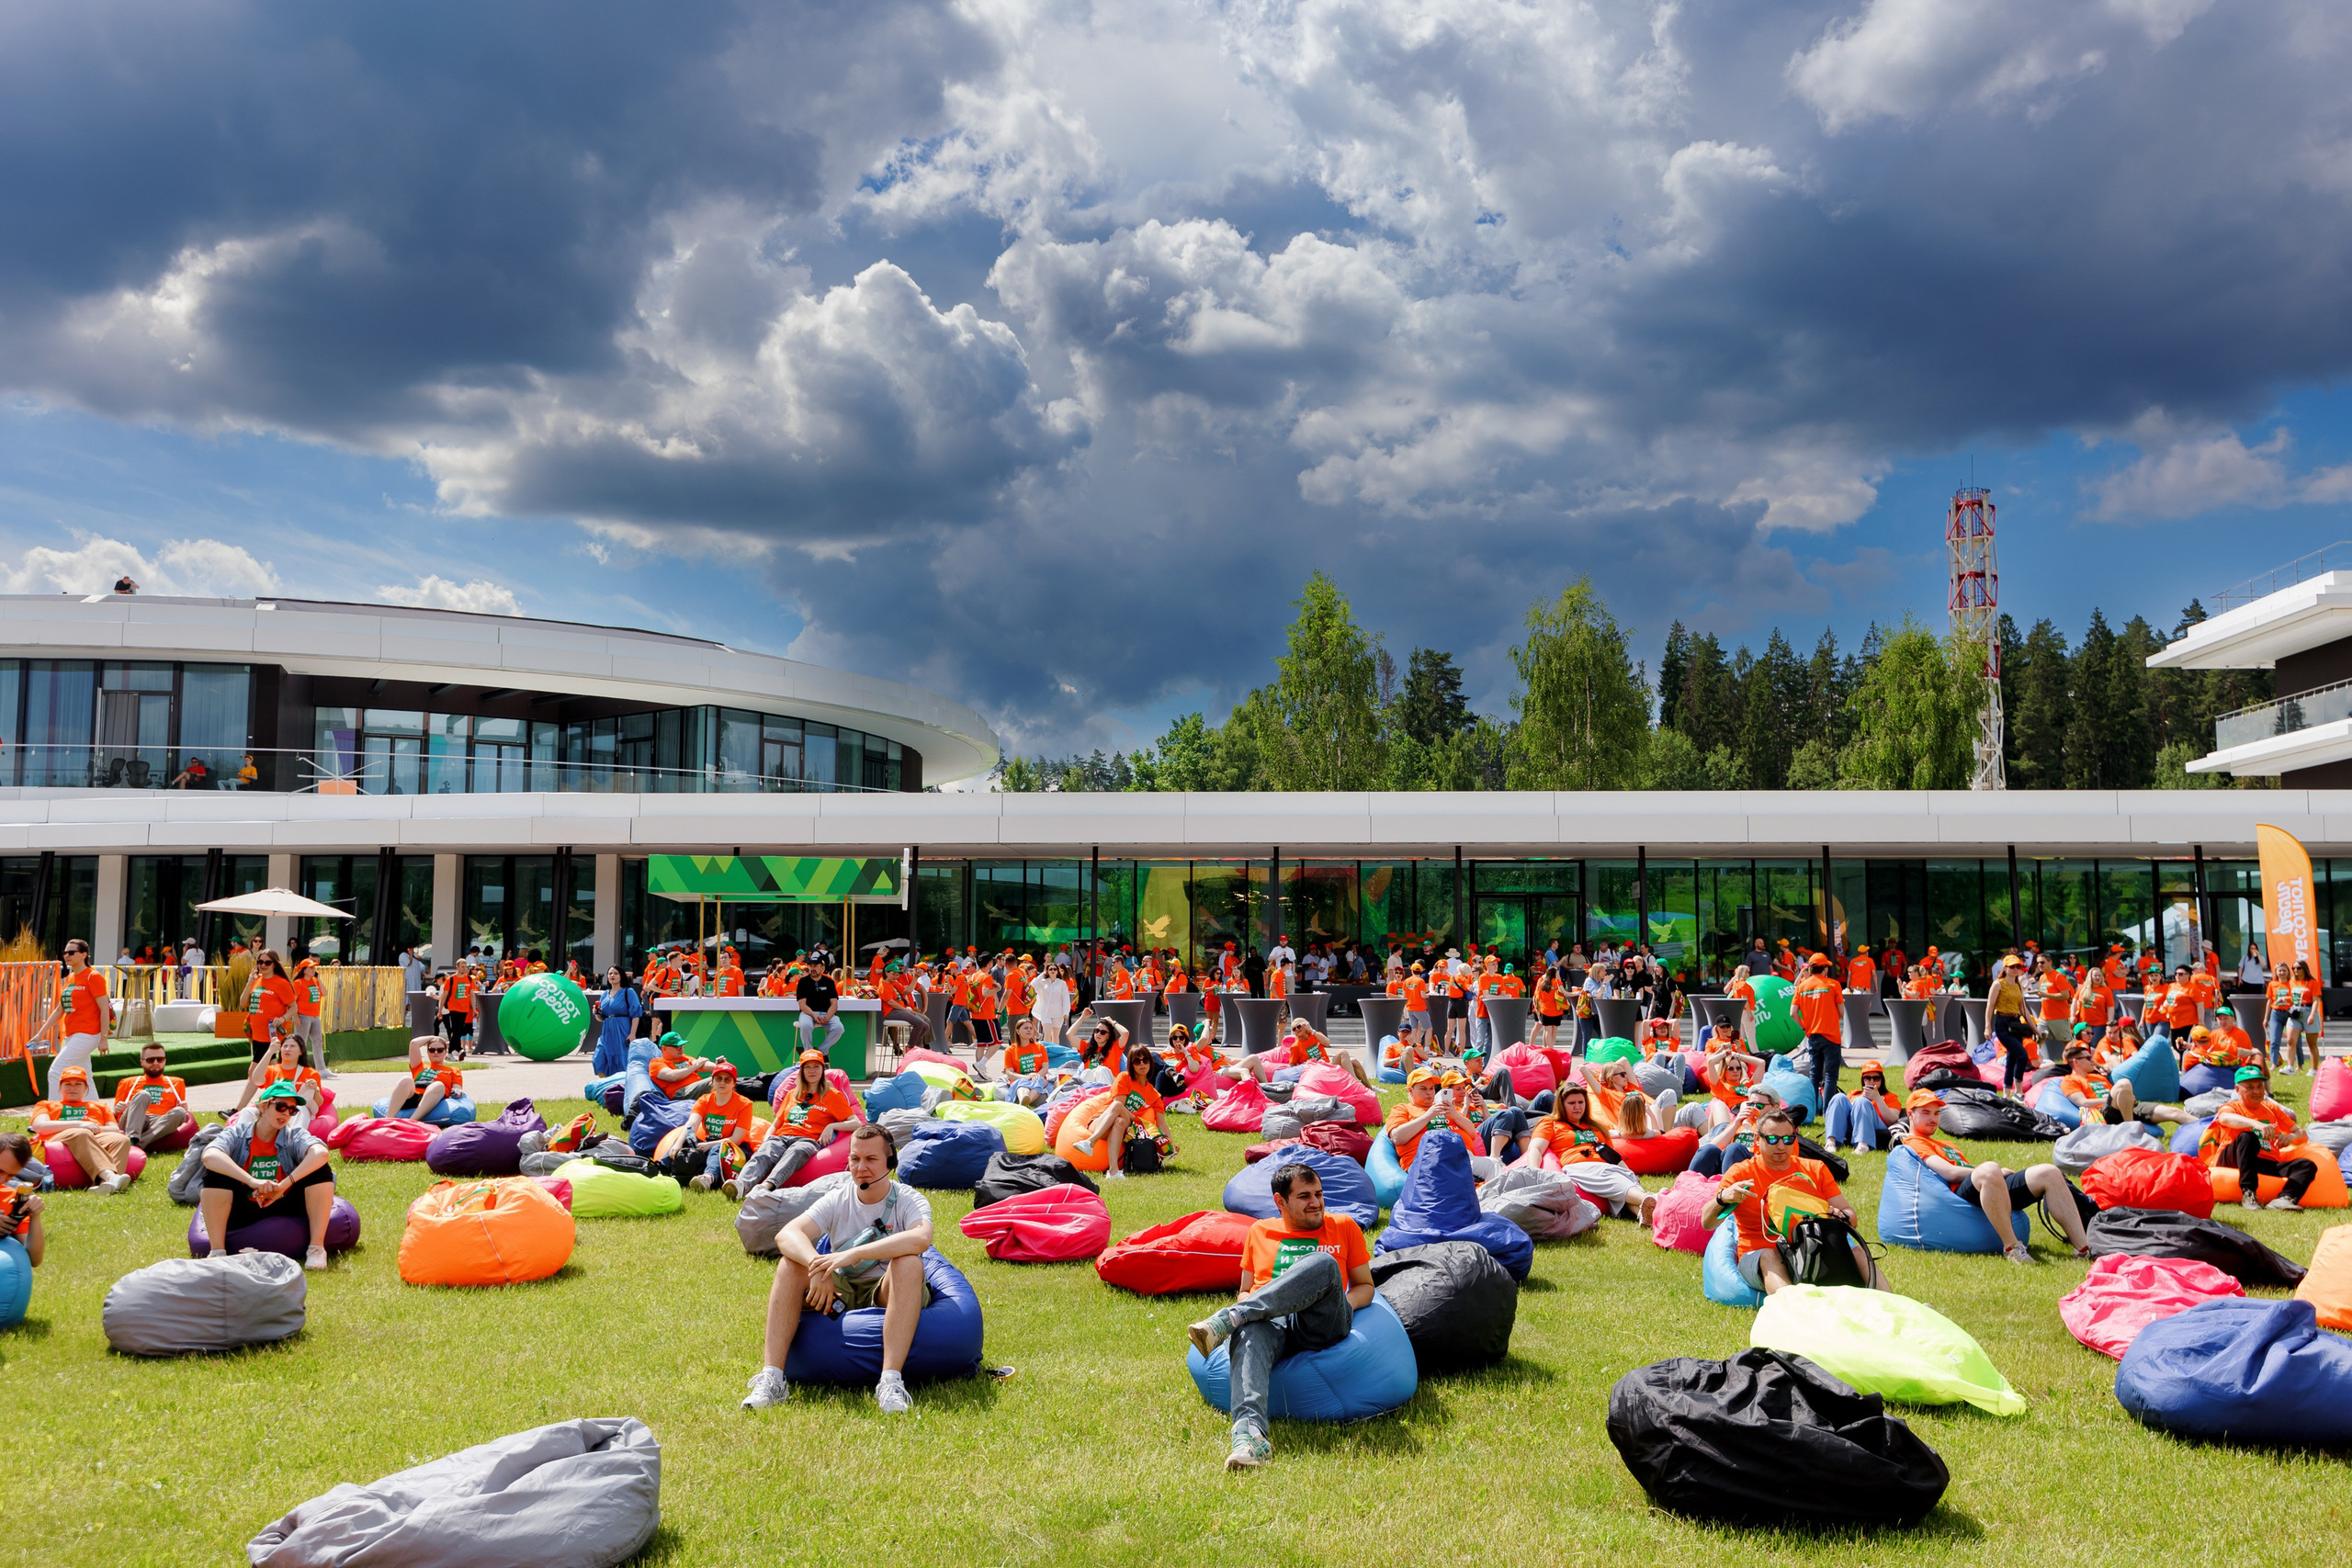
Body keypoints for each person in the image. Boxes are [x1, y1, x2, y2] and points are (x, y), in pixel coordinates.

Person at [1185, 1162, 1375, 1471]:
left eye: (1319, 1194)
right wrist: (1250, 1309)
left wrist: (1343, 1305)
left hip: (1320, 1319)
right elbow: (1247, 1290)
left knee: (1324, 1264)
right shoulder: (1260, 1232)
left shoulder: (1343, 1226)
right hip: (1271, 1322)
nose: (1316, 1203)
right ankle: (1250, 1439)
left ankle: (1228, 1319)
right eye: (1304, 1196)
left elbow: (1365, 1286)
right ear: (1280, 1202)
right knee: (1248, 1332)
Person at [742, 1123, 933, 1415]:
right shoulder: (838, 1197)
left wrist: (854, 1254)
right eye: (855, 1159)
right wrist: (817, 1268)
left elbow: (921, 1238)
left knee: (908, 1262)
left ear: (889, 1162)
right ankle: (774, 1379)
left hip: (882, 1287)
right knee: (788, 1264)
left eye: (871, 1159)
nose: (861, 1167)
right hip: (841, 1288)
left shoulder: (907, 1199)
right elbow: (788, 1235)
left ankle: (890, 1381)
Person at [1702, 1107, 1887, 1295]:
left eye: (1788, 1139)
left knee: (1859, 1253)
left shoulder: (1815, 1169)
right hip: (1761, 1254)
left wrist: (1840, 1216)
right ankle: (1794, 1311)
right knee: (1769, 1256)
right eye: (1772, 1139)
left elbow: (1851, 1216)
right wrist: (1722, 1199)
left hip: (1811, 1251)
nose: (1781, 1146)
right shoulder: (1741, 1173)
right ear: (1757, 1140)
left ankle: (1894, 1309)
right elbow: (1707, 1223)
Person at [1899, 1090, 2090, 1262]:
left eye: (1936, 1113)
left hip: (1984, 1187)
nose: (1933, 1118)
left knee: (2049, 1172)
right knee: (1989, 1168)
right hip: (1959, 1196)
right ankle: (2013, 1249)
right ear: (1910, 1115)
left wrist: (1993, 1175)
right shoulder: (1915, 1143)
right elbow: (1951, 1173)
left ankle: (2083, 1249)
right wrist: (1993, 1172)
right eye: (1926, 1113)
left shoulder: (1947, 1145)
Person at [199, 1082, 336, 1269]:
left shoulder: (293, 1135)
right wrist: (252, 1181)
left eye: (292, 1110)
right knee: (215, 1172)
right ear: (263, 1106)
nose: (286, 1114)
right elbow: (209, 1156)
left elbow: (321, 1153)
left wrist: (283, 1186)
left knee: (319, 1169)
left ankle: (316, 1249)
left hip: (283, 1201)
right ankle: (217, 1253)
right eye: (281, 1107)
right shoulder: (237, 1133)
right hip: (245, 1204)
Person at [1518, 1080, 1654, 1223]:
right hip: (1580, 1167)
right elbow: (1535, 1148)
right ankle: (1651, 1198)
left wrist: (1628, 1172)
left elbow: (1611, 1155)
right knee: (1611, 1178)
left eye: (1581, 1102)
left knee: (1622, 1179)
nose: (1577, 1107)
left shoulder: (1596, 1127)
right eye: (1572, 1103)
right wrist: (1534, 1172)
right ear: (1561, 1105)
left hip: (1606, 1167)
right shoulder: (1550, 1123)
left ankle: (1642, 1214)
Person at [729, 1051, 857, 1198]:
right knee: (765, 1152)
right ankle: (741, 1185)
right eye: (807, 1067)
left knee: (795, 1152)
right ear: (801, 1071)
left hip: (808, 1140)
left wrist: (832, 1126)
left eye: (816, 1066)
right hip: (782, 1136)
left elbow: (856, 1123)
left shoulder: (832, 1095)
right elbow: (776, 1124)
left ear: (823, 1070)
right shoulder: (793, 1094)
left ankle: (766, 1187)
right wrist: (767, 1137)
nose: (812, 1071)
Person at [2204, 1065, 2318, 1212]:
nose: (2257, 1091)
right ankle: (2249, 1193)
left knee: (2307, 1165)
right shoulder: (2232, 1107)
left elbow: (2301, 1134)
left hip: (2264, 1161)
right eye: (2250, 1087)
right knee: (2247, 1137)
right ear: (2238, 1090)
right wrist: (2256, 1124)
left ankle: (2284, 1199)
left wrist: (2290, 1138)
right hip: (2232, 1158)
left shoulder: (2272, 1109)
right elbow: (2225, 1118)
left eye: (2260, 1086)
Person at [1069, 1043, 1179, 1179]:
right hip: (1101, 1121)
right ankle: (1112, 1170)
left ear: (1151, 1063)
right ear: (1131, 1064)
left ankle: (1090, 1144)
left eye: (1146, 1060)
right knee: (1118, 1116)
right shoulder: (1124, 1078)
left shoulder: (1154, 1095)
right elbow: (1118, 1106)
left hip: (1130, 1127)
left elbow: (1161, 1123)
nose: (1142, 1064)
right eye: (1137, 1061)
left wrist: (1170, 1144)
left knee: (1120, 1113)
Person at [28, 1066, 136, 1193]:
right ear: (60, 1088)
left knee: (121, 1139)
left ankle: (104, 1186)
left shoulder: (100, 1106)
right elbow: (40, 1126)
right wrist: (79, 1124)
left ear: (86, 1088)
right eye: (67, 1084)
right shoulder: (46, 1105)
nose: (72, 1088)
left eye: (78, 1084)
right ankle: (110, 1176)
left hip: (93, 1137)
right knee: (81, 1133)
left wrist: (93, 1128)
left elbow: (114, 1129)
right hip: (59, 1139)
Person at [27, 938, 107, 1099]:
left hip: (88, 1034)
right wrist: (39, 1034)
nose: (66, 955)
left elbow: (104, 1008)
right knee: (86, 1076)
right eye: (65, 952)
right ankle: (97, 1112)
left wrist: (103, 1038)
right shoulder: (70, 978)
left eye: (71, 952)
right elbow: (59, 1010)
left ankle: (54, 1112)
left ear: (84, 954)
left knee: (56, 1071)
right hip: (72, 1035)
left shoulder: (93, 977)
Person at [1385, 1068, 1485, 1168]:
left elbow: (1472, 1133)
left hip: (1463, 1157)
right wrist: (1428, 1115)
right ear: (1411, 1091)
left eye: (1431, 1088)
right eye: (1423, 1089)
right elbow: (1397, 1137)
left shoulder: (1447, 1107)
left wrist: (1455, 1115)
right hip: (1428, 1161)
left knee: (1493, 1165)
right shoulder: (1402, 1108)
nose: (1429, 1092)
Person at [684, 1062, 760, 1192]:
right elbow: (691, 1125)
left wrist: (709, 1145)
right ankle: (660, 1170)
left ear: (734, 1083)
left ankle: (708, 1177)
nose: (722, 1082)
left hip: (736, 1148)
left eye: (727, 1079)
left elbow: (736, 1139)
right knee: (684, 1139)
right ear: (712, 1081)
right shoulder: (704, 1100)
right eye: (718, 1079)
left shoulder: (744, 1104)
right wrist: (680, 1143)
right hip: (709, 1143)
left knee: (718, 1147)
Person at [111, 1041, 193, 1151]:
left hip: (159, 1121)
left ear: (165, 1061)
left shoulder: (177, 1083)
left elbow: (177, 1111)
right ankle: (131, 1138)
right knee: (143, 1095)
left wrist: (183, 1108)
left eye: (160, 1059)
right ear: (142, 1062)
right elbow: (115, 1117)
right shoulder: (127, 1082)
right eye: (150, 1060)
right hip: (134, 1119)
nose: (155, 1063)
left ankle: (135, 1146)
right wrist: (117, 1110)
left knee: (180, 1112)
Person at [1792, 953, 1845, 1109]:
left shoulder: (1802, 986)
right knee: (1830, 1075)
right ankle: (1828, 1110)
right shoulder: (1833, 985)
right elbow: (1841, 1012)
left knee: (1814, 1075)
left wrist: (1804, 1027)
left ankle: (1814, 1109)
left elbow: (1792, 1013)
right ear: (1825, 968)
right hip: (1831, 1035)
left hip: (1812, 1035)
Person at [238, 1034, 325, 1120]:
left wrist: (315, 1090)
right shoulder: (271, 1070)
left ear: (301, 1051)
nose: (287, 1049)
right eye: (285, 1046)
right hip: (271, 1111)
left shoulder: (311, 1073)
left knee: (301, 1109)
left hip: (293, 1112)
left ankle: (292, 1134)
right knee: (247, 1111)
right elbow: (256, 1080)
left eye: (292, 1046)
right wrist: (270, 1051)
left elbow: (318, 1104)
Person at [1823, 1060, 1901, 1154]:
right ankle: (1831, 1142)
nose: (1872, 1081)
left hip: (1877, 1125)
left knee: (1862, 1102)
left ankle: (1863, 1145)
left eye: (1876, 1078)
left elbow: (1892, 1120)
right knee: (1839, 1097)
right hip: (1852, 1123)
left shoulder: (1890, 1097)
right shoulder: (1854, 1094)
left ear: (1882, 1079)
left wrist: (1878, 1099)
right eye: (1868, 1078)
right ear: (1863, 1080)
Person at [0, 1134, 50, 1268]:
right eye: (0, 1171)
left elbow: (34, 1259)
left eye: (11, 1175)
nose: (3, 1180)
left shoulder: (11, 1198)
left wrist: (35, 1216)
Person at [385, 1036, 464, 1121]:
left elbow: (457, 1088)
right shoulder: (419, 1066)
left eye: (440, 1050)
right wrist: (434, 1037)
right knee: (406, 1080)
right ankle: (387, 1120)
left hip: (434, 1098)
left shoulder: (453, 1070)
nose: (435, 1052)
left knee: (438, 1085)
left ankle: (412, 1121)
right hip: (414, 1096)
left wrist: (457, 1092)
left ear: (445, 1052)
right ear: (428, 1052)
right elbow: (414, 1043)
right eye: (431, 1049)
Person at [243, 949, 299, 1065]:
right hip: (256, 1032)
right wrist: (249, 982)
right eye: (260, 962)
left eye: (267, 963)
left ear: (274, 965)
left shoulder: (282, 983)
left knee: (253, 1071)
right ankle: (281, 1081)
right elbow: (243, 1004)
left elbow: (293, 1007)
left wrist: (282, 1019)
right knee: (271, 1066)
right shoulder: (256, 980)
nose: (263, 965)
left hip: (270, 1033)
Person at [1985, 954, 2030, 1089]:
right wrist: (1987, 1026)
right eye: (2012, 967)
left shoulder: (2018, 985)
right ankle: (2018, 1090)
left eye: (2018, 966)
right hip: (2002, 1022)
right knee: (2022, 1056)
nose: (2015, 969)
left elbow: (2024, 1010)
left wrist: (2035, 1029)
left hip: (2016, 1022)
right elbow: (1990, 1005)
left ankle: (2007, 1093)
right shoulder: (1998, 984)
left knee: (2011, 1059)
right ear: (2005, 968)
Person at [593, 967, 641, 1076]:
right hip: (607, 1030)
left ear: (621, 976)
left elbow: (636, 1014)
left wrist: (632, 1033)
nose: (612, 976)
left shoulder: (628, 992)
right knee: (599, 1058)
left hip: (623, 1029)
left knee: (621, 1059)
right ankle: (607, 1083)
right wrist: (597, 1013)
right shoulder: (605, 994)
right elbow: (601, 1018)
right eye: (610, 973)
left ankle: (620, 1086)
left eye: (615, 973)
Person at [795, 955, 844, 1062]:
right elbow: (802, 1004)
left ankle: (821, 1052)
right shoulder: (803, 982)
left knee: (839, 1028)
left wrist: (828, 1016)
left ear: (822, 968)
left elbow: (834, 1003)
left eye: (815, 966)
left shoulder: (829, 982)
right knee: (806, 1025)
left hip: (827, 1013)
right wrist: (813, 1014)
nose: (812, 968)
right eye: (810, 966)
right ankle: (808, 1052)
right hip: (808, 1013)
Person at [646, 1032, 715, 1101]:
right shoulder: (656, 1062)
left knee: (721, 1076)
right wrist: (695, 1066)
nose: (680, 1049)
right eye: (676, 1047)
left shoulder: (684, 1057)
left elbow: (702, 1064)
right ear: (664, 1048)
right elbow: (672, 1076)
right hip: (680, 1093)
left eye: (682, 1046)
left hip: (696, 1088)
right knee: (716, 1081)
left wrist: (719, 1066)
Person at [290, 954, 328, 1075]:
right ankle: (299, 1068)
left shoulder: (315, 981)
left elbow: (325, 993)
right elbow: (293, 1002)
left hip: (315, 1016)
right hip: (303, 1015)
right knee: (301, 1042)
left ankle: (321, 1069)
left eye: (314, 968)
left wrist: (319, 979)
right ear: (304, 969)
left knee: (318, 1041)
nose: (313, 970)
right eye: (311, 968)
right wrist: (295, 1016)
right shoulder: (298, 983)